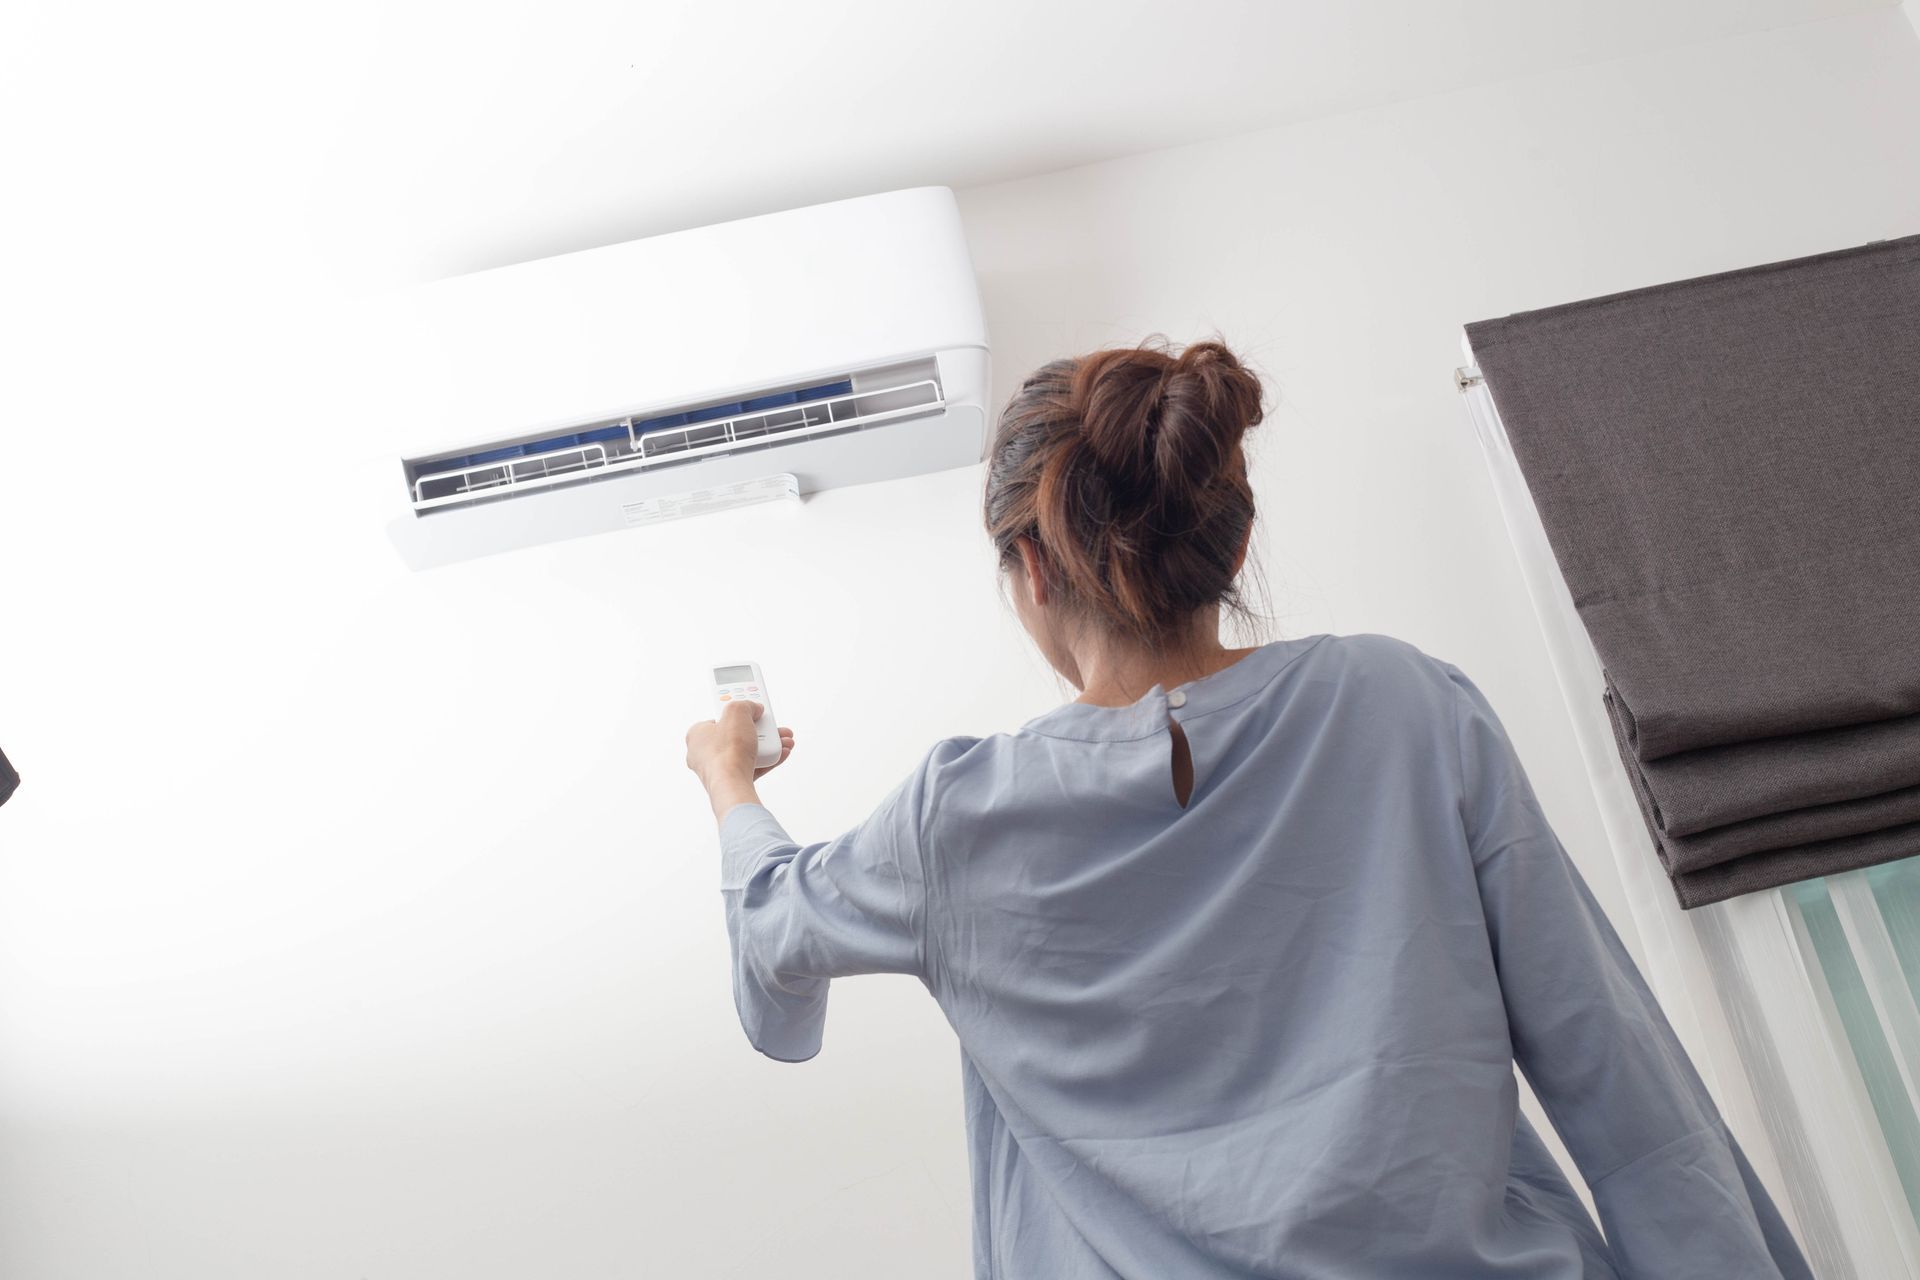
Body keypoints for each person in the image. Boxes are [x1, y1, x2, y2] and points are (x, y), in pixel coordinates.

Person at [682, 339, 1812, 1279]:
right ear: (1231, 539)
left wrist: (729, 776)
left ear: (1034, 567)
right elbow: (1614, 1070)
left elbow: (773, 941)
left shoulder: (956, 819)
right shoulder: (1402, 704)